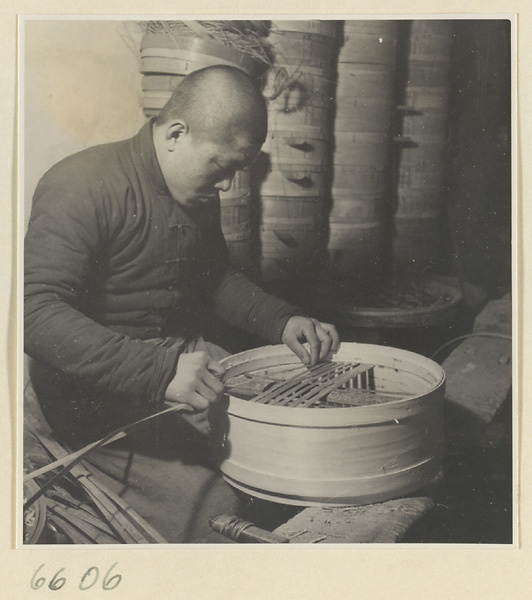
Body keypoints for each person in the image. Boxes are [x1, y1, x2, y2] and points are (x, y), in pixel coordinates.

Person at [24, 65, 340, 542]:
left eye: (237, 171)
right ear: (176, 134)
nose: (228, 185)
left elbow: (211, 278)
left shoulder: (196, 191)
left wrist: (282, 319)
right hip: (88, 402)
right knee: (226, 509)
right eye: (222, 165)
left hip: (177, 367)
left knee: (294, 454)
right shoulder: (81, 184)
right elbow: (33, 314)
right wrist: (160, 371)